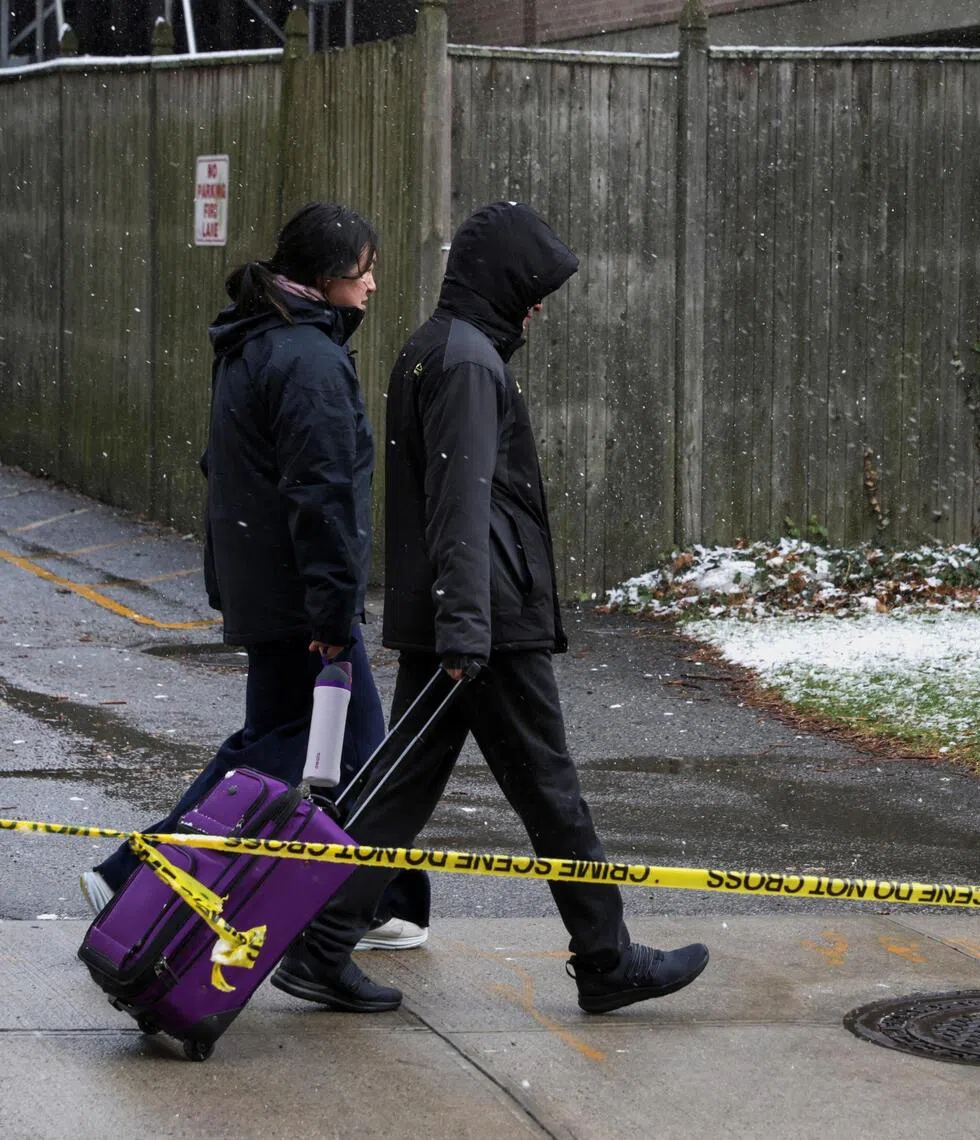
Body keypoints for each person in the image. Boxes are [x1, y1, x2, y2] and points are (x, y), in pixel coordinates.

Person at [271, 201, 709, 1014]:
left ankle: (323, 945)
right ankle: (607, 959)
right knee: (549, 790)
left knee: (399, 789)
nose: (540, 304)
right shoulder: (470, 362)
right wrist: (467, 629)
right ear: (503, 281)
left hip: (462, 615)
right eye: (534, 287)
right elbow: (460, 505)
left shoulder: (438, 348)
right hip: (485, 622)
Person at [78, 200, 428, 953]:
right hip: (299, 596)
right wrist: (334, 620)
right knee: (352, 749)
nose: (372, 287)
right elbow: (323, 496)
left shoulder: (260, 338)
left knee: (278, 742)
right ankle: (361, 909)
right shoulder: (307, 359)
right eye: (364, 272)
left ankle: (138, 876)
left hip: (266, 582)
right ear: (330, 277)